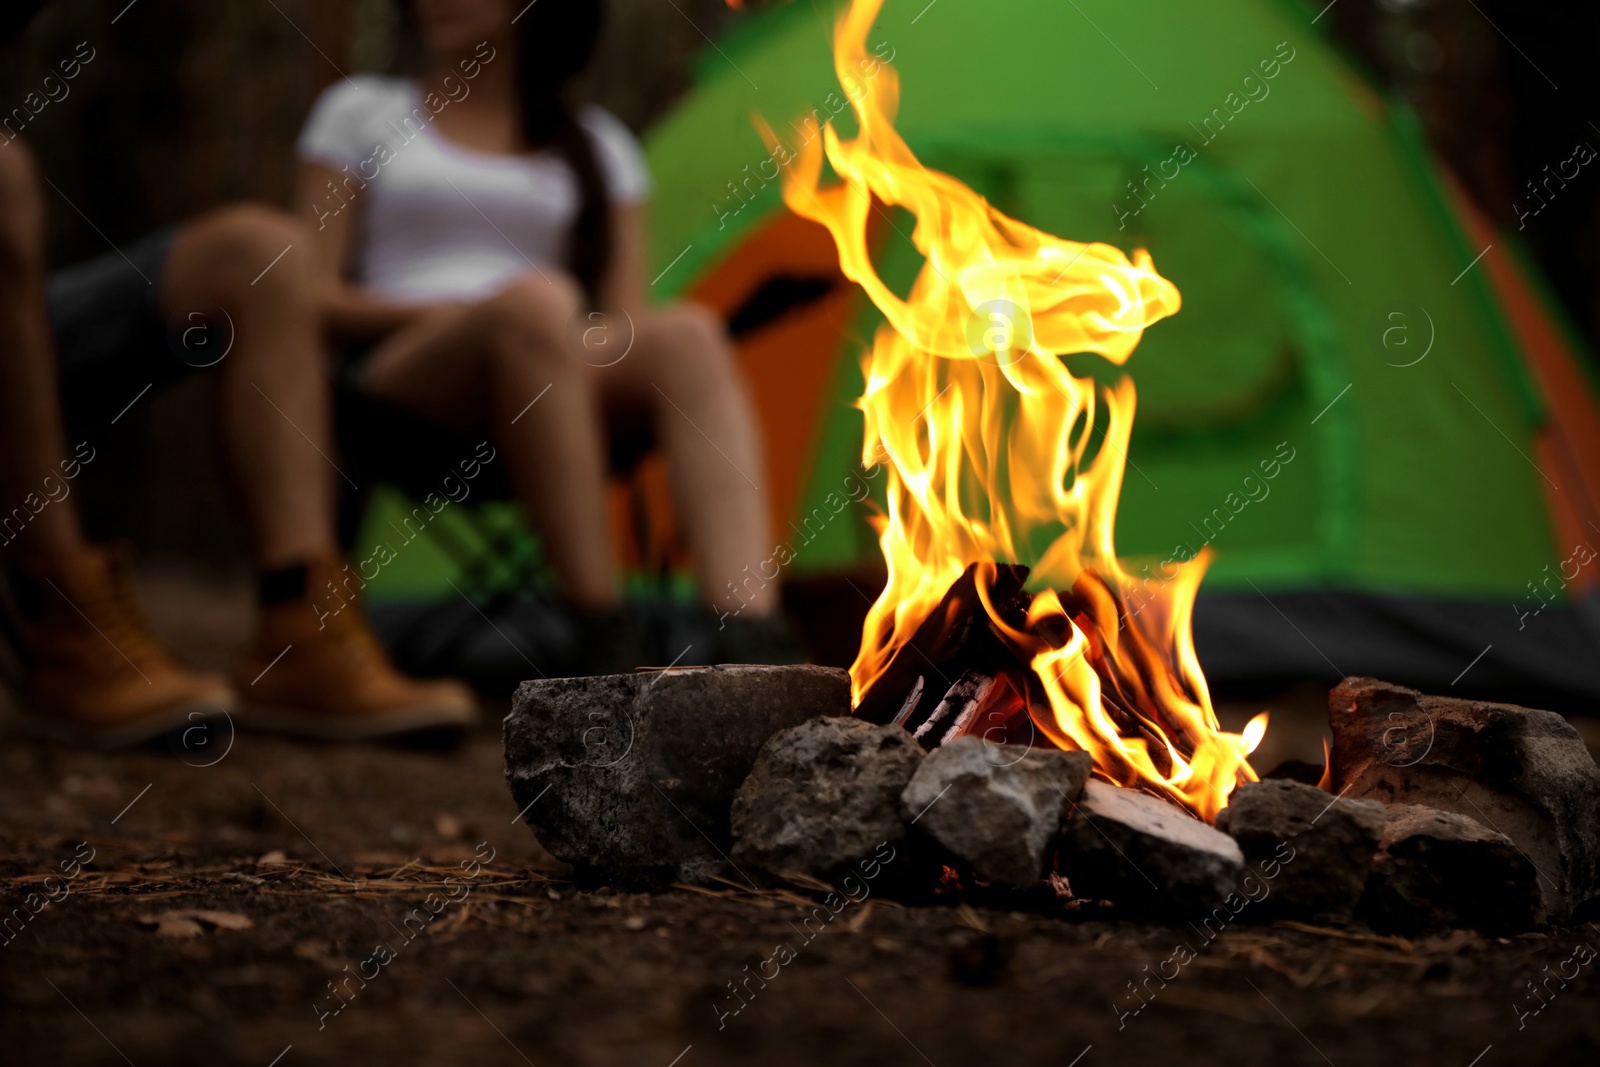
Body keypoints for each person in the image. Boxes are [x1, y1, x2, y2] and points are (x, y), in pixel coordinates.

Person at [0, 12, 477, 746]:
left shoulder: (590, 147)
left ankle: (302, 633)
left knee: (264, 252)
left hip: (37, 323)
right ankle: (56, 610)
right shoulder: (366, 113)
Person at [295, 0, 794, 669]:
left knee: (689, 334)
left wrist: (541, 322)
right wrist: (457, 313)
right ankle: (601, 630)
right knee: (537, 302)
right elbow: (307, 294)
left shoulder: (600, 146)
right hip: (402, 375)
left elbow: (621, 321)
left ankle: (751, 634)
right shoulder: (361, 114)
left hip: (554, 373)